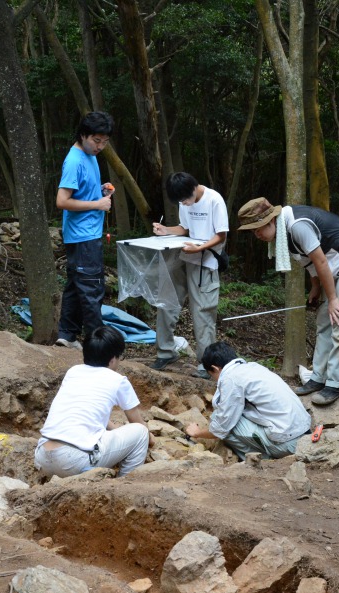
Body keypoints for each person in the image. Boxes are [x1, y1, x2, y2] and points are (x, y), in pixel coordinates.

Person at [237, 197, 339, 406]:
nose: (257, 235)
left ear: (271, 220)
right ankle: (319, 377)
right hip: (331, 266)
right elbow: (310, 263)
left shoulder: (297, 226)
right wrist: (316, 289)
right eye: (253, 231)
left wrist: (334, 298)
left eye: (258, 229)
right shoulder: (284, 235)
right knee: (325, 320)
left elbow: (320, 260)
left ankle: (337, 383)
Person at [35, 326, 153, 477]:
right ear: (112, 360)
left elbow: (90, 414)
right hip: (74, 462)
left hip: (42, 456)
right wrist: (150, 439)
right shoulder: (118, 380)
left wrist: (115, 428)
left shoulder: (73, 371)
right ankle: (125, 483)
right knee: (141, 433)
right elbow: (138, 423)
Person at [150, 172, 229, 378]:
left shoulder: (214, 200)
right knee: (167, 302)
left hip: (205, 261)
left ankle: (206, 365)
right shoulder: (184, 201)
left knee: (203, 312)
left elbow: (221, 235)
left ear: (194, 189)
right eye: (180, 202)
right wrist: (165, 230)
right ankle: (166, 351)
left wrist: (199, 248)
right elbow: (184, 228)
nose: (184, 204)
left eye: (185, 200)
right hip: (183, 256)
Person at [184, 342, 311, 460]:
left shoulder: (231, 379)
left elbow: (221, 428)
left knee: (225, 423)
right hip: (304, 433)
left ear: (215, 368)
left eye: (212, 375)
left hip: (287, 444)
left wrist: (197, 433)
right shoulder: (252, 367)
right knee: (232, 414)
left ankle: (262, 460)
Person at [55, 111, 116, 350]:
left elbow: (80, 192)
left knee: (75, 287)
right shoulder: (75, 160)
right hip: (83, 236)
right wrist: (97, 204)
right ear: (83, 135)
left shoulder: (89, 156)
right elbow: (62, 200)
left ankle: (67, 336)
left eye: (105, 141)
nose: (100, 146)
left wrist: (100, 192)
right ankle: (97, 348)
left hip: (86, 233)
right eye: (96, 140)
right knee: (92, 290)